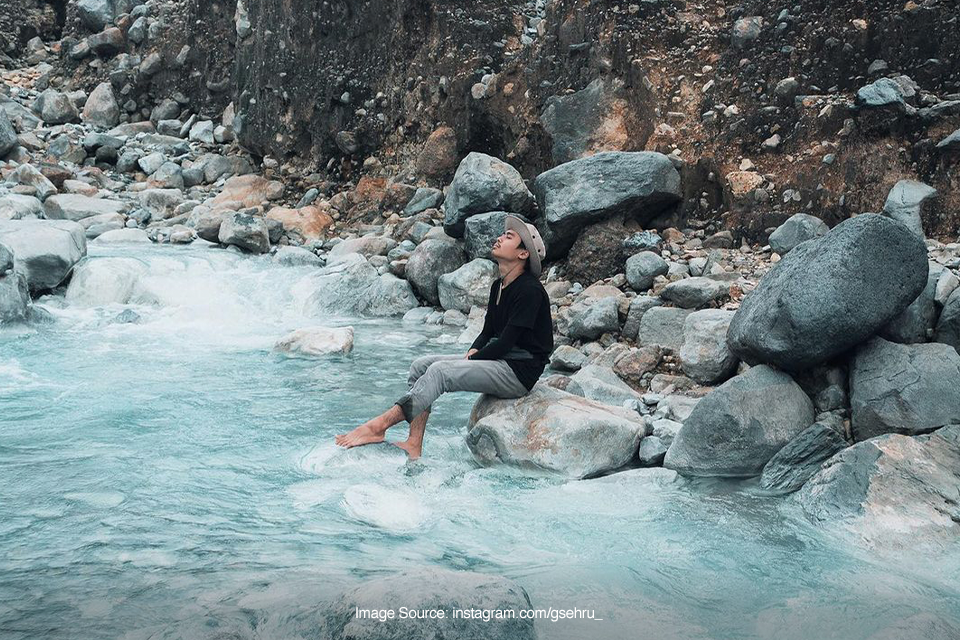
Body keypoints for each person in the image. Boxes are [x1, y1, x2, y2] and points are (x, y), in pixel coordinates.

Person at [334, 215, 554, 459]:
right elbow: (488, 331)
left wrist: (475, 359)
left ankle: (378, 426)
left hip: (518, 372)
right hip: (500, 360)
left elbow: (506, 342)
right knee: (421, 366)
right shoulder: (498, 286)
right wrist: (475, 351)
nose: (500, 238)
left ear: (523, 254)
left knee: (440, 372)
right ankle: (413, 443)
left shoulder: (530, 291)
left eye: (509, 237)